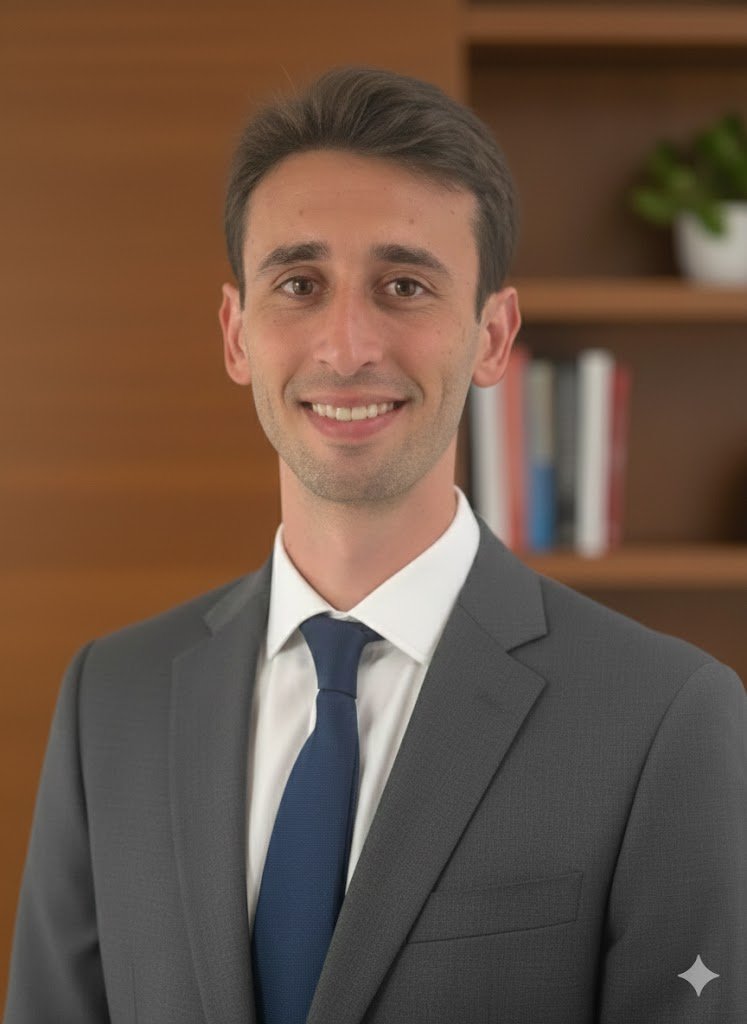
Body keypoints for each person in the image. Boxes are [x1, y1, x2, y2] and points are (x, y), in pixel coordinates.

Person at [4, 65, 746, 1024]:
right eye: (299, 284)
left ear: (491, 335)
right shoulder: (111, 700)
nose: (347, 344)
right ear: (237, 334)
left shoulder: (665, 719)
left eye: (404, 285)